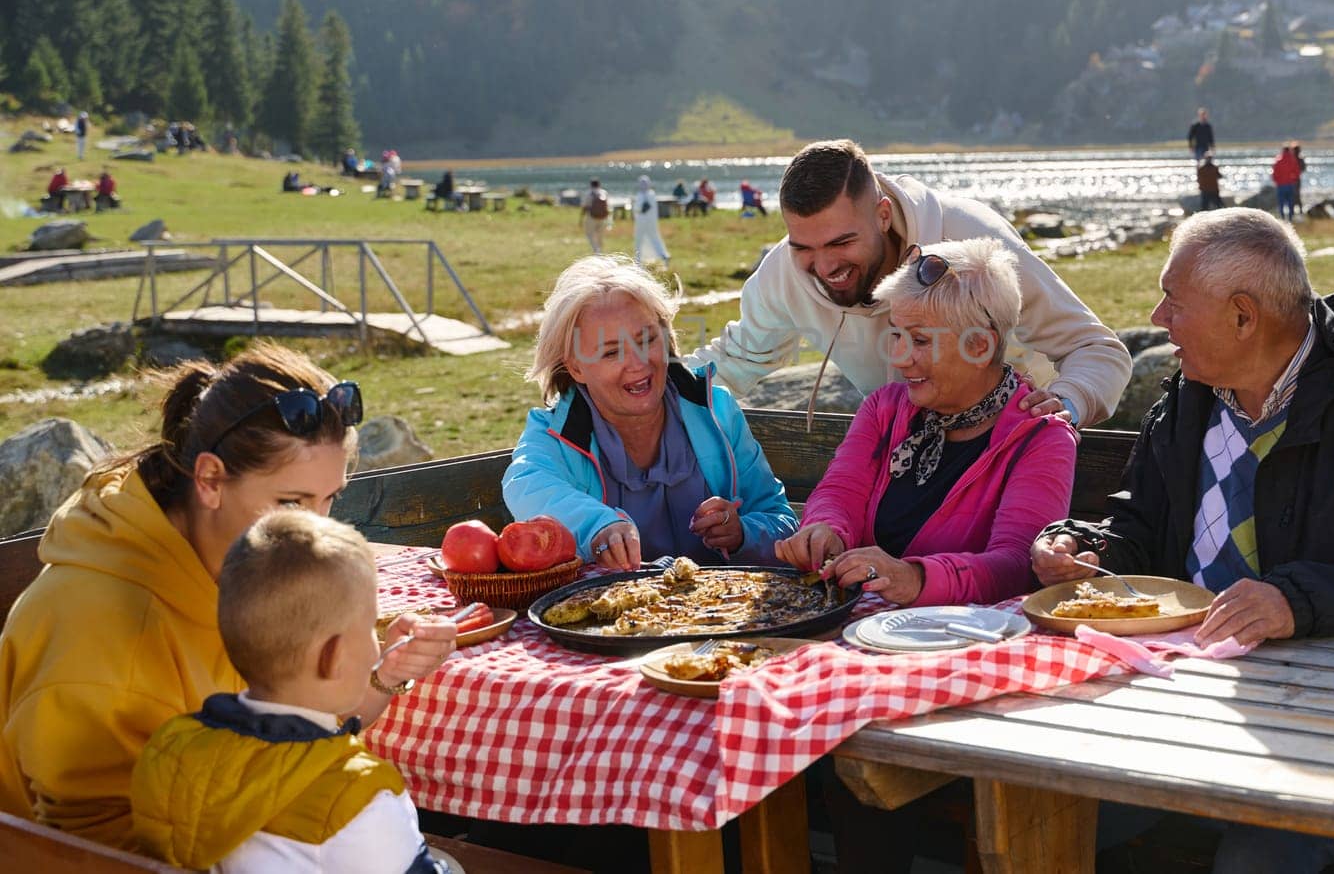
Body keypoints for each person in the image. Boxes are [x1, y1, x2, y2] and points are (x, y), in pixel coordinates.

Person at [1029, 208, 1334, 874]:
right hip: (1184, 706)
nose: (1157, 317)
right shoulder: (1188, 399)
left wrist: (1294, 601)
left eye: (1173, 301)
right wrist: (1089, 552)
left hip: (1332, 723)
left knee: (1258, 857)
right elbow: (1141, 530)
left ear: (1243, 317)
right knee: (1038, 807)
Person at [0, 343, 457, 848]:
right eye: (290, 502)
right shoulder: (109, 635)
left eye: (329, 499)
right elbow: (92, 855)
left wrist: (381, 674)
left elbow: (287, 736)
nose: (315, 527)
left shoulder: (231, 567)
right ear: (210, 479)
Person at [685, 139, 1131, 428]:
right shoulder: (785, 273)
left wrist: (1065, 406)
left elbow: (1098, 351)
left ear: (882, 214)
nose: (824, 266)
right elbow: (732, 362)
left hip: (1015, 453)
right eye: (803, 246)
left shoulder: (973, 240)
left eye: (841, 242)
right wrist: (651, 383)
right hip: (902, 460)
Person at [130, 509, 447, 874]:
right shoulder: (359, 795)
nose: (377, 644)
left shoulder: (169, 747)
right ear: (334, 655)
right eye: (370, 629)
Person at [775, 237, 1077, 606]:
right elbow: (840, 493)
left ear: (980, 346)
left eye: (919, 340)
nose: (899, 358)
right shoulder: (884, 408)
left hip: (964, 642)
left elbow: (1018, 565)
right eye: (897, 334)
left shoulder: (1041, 437)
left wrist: (916, 579)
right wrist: (825, 530)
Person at [503, 256, 798, 570]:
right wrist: (598, 527)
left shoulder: (717, 411)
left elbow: (780, 520)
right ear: (576, 367)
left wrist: (742, 534)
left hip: (724, 608)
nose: (638, 363)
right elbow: (525, 484)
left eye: (647, 340)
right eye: (612, 352)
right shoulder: (552, 435)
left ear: (666, 337)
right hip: (618, 614)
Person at [632, 176, 670, 267]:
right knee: (655, 239)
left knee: (639, 241)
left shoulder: (640, 195)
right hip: (652, 223)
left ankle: (637, 261)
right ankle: (663, 255)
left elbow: (637, 209)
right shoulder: (652, 194)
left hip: (641, 223)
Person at [1271, 142, 1299, 221]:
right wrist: (1293, 179)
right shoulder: (1292, 160)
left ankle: (1282, 218)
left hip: (1281, 185)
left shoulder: (1278, 160)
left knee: (1281, 203)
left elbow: (1274, 174)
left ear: (1283, 150)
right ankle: (1290, 218)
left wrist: (1277, 181)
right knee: (1290, 203)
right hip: (1290, 184)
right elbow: (1297, 172)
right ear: (1289, 150)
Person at [581, 178, 609, 252]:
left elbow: (584, 206)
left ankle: (596, 249)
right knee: (600, 234)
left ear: (591, 185)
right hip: (603, 217)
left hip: (591, 217)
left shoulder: (589, 194)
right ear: (599, 184)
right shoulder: (604, 192)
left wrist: (581, 218)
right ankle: (599, 249)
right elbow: (607, 206)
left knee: (590, 234)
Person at [1291, 141, 1307, 218]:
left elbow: (1303, 168)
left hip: (1293, 180)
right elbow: (1303, 168)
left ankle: (1295, 212)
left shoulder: (1293, 158)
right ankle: (1299, 211)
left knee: (1294, 196)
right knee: (1296, 196)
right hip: (1296, 180)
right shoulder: (1300, 159)